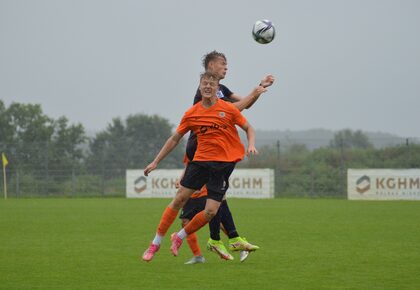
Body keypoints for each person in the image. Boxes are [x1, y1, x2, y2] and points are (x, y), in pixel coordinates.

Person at [142, 71, 265, 262]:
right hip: (200, 163)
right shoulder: (192, 113)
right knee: (179, 199)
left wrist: (251, 144)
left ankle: (179, 237)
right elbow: (175, 138)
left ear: (218, 89)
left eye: (211, 84)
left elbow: (249, 127)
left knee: (211, 212)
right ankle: (155, 244)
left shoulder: (229, 109)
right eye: (204, 83)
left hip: (222, 167)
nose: (208, 86)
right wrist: (155, 161)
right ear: (200, 88)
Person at [181, 51, 274, 263]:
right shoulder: (204, 91)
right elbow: (231, 110)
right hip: (202, 152)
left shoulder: (222, 89)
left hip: (218, 152)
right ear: (211, 66)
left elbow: (244, 105)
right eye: (223, 64)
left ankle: (225, 240)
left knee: (216, 199)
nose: (227, 68)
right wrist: (253, 91)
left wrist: (259, 89)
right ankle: (223, 240)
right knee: (204, 203)